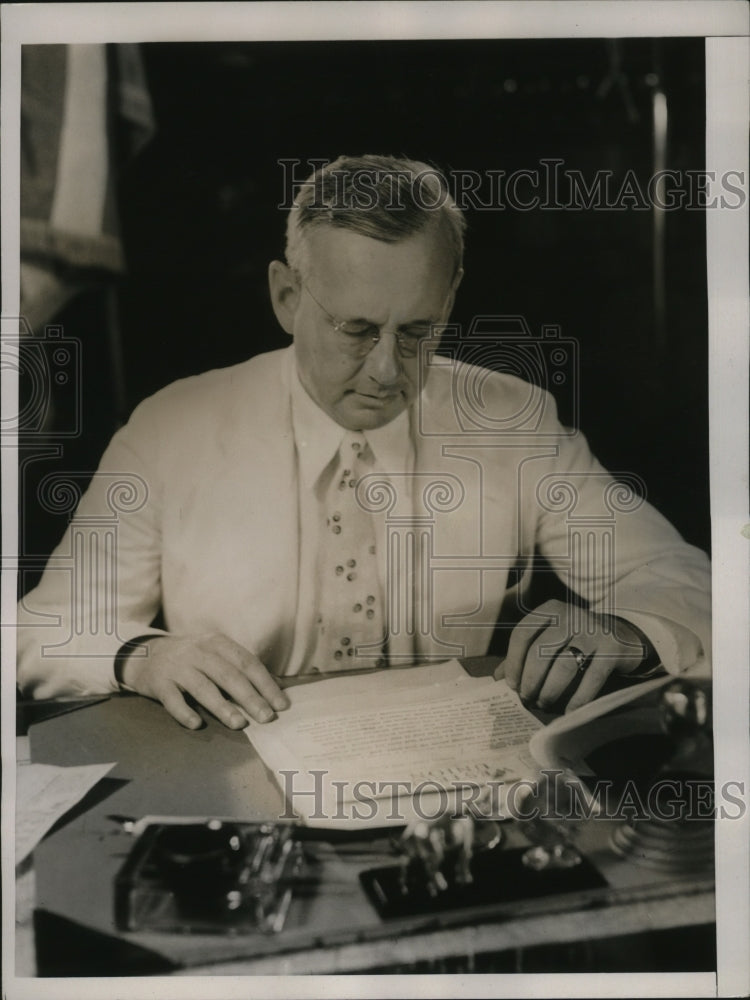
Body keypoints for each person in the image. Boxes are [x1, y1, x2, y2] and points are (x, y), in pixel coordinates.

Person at [16, 155, 711, 731]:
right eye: (356, 330)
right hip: (235, 786)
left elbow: (687, 581)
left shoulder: (513, 421)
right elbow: (35, 632)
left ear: (450, 297)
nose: (385, 369)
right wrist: (141, 656)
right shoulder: (172, 428)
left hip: (453, 784)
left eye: (417, 331)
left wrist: (631, 633)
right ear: (286, 297)